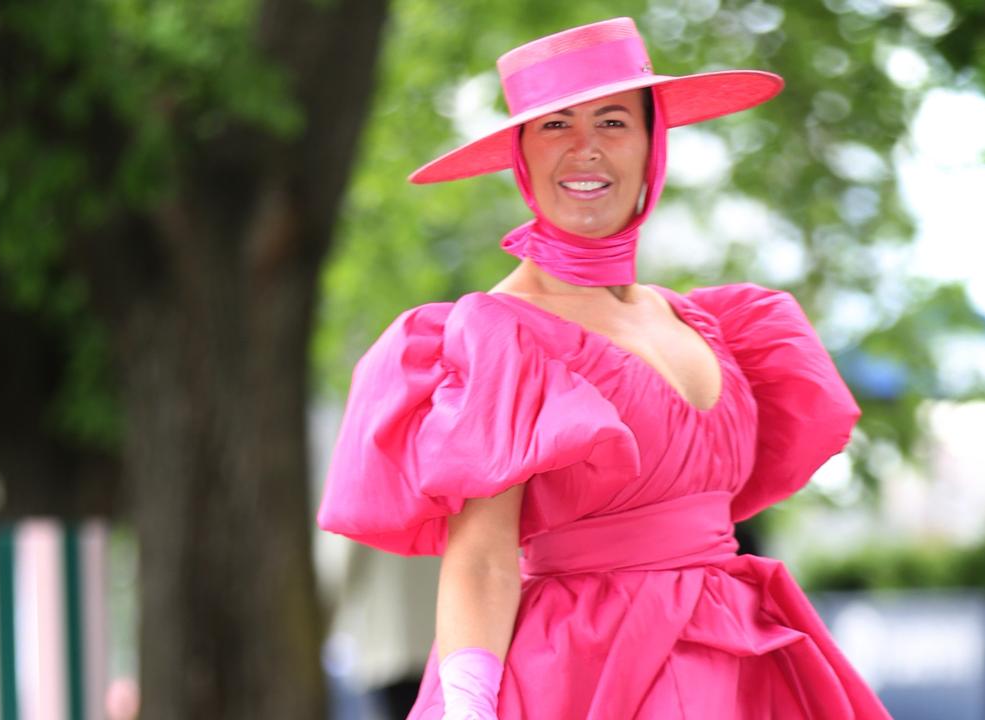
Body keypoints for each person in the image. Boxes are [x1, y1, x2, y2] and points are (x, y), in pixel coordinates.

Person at [317, 17, 892, 720]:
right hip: (584, 676)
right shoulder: (502, 332)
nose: (584, 149)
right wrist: (468, 708)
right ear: (521, 153)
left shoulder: (715, 326)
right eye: (555, 125)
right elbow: (482, 560)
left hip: (739, 656)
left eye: (613, 121)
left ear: (655, 143)